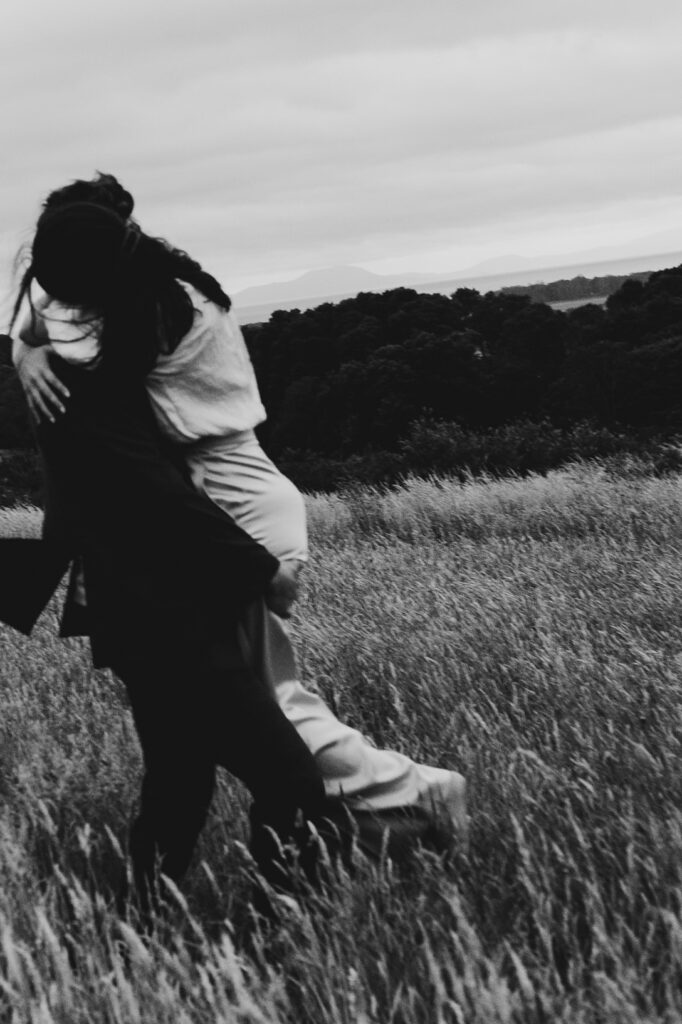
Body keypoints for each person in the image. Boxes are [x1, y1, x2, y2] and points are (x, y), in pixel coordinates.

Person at [12, 178, 467, 849]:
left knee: (261, 706)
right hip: (244, 484)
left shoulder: (156, 307)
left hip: (233, 497)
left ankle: (413, 797)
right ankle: (356, 822)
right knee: (235, 706)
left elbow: (109, 434)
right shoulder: (157, 275)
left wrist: (31, 351)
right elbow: (36, 304)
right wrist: (25, 350)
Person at [3, 202, 355, 919]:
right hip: (161, 608)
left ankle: (141, 927)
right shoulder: (86, 382)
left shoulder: (83, 355)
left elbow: (100, 203)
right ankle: (288, 939)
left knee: (179, 782)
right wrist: (264, 569)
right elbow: (157, 498)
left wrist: (21, 344)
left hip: (139, 605)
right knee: (294, 788)